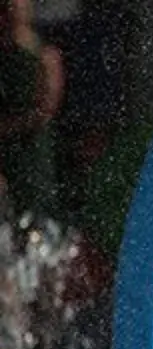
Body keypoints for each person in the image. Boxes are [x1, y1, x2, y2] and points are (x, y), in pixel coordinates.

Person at [0, 0, 63, 223]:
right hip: (6, 149)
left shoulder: (44, 55)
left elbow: (45, 109)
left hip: (30, 148)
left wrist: (9, 127)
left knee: (33, 210)